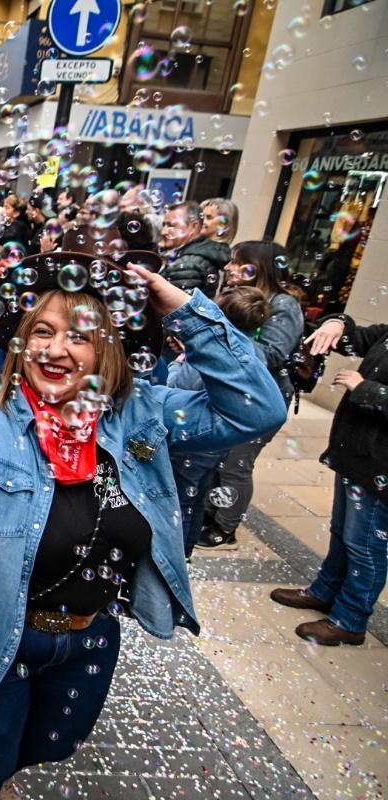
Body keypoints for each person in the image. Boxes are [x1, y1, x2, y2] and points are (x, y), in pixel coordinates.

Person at [0, 243, 285, 798]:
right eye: (41, 331)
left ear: (108, 349)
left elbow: (259, 408)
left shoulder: (142, 417)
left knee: (53, 742)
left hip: (88, 638)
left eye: (79, 335)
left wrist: (185, 310)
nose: (55, 349)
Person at [269, 314, 387, 645]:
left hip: (382, 465)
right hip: (358, 455)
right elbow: (358, 337)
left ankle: (350, 619)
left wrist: (364, 388)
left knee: (366, 546)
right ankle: (323, 592)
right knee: (342, 534)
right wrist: (337, 323)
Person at [199, 240, 305, 550]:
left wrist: (218, 336)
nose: (228, 268)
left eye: (237, 263)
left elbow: (272, 353)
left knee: (236, 464)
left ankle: (225, 526)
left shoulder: (283, 304)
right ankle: (209, 512)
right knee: (219, 458)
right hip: (233, 392)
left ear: (258, 269)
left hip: (260, 399)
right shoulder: (234, 295)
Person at [168, 286, 271, 556]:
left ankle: (177, 551)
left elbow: (181, 385)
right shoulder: (252, 351)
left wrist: (179, 361)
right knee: (198, 496)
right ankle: (187, 549)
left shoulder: (211, 352)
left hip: (195, 437)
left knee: (179, 500)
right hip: (220, 442)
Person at [158, 201, 230, 298]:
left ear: (193, 227)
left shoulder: (188, 264)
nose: (163, 232)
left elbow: (173, 307)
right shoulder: (189, 255)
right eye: (164, 225)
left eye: (172, 225)